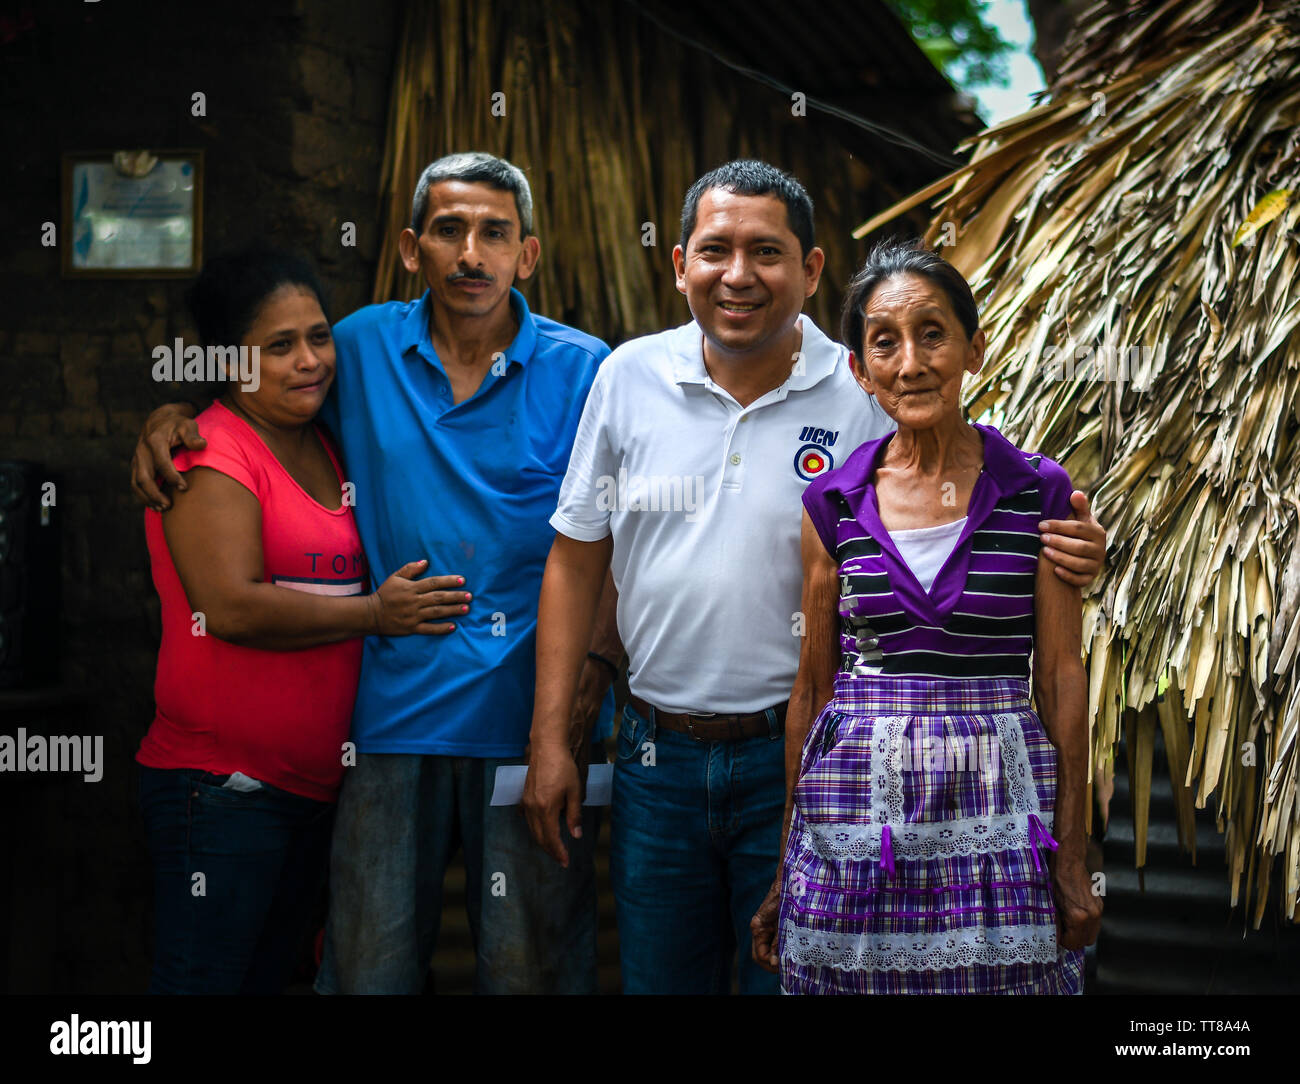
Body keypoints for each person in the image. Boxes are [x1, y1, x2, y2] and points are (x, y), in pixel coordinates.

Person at [523, 161, 1108, 994]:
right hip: (656, 756)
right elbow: (578, 555)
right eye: (716, 250)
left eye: (766, 251)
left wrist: (1078, 540)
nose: (739, 275)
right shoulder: (628, 378)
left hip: (801, 759)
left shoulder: (860, 385)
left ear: (811, 268)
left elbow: (958, 474)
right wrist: (552, 737)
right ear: (678, 262)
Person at [130, 153, 619, 995]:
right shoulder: (354, 350)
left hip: (529, 724)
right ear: (409, 248)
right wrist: (173, 420)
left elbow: (616, 541)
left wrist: (589, 684)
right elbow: (252, 391)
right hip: (388, 723)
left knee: (530, 967)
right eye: (448, 231)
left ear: (526, 256)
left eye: (494, 233)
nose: (471, 253)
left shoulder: (588, 372)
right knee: (369, 968)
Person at [750, 239, 1104, 994]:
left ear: (975, 349)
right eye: (885, 342)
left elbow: (1062, 676)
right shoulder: (833, 504)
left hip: (999, 819)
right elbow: (812, 692)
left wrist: (1072, 853)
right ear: (860, 369)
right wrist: (786, 864)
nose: (910, 363)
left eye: (933, 333)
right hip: (857, 823)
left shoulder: (1036, 493)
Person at [137, 245, 459, 994]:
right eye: (278, 347)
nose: (309, 361)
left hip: (309, 794)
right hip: (219, 790)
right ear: (228, 361)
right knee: (203, 981)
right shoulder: (210, 453)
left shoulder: (324, 442)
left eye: (318, 337)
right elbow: (233, 606)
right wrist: (377, 612)